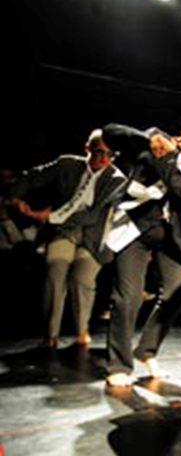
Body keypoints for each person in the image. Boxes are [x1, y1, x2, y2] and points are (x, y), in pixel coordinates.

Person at [102, 119, 181, 387]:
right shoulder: (158, 141)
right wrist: (147, 140)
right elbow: (110, 133)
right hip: (134, 227)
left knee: (178, 288)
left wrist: (167, 159)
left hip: (171, 235)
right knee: (128, 298)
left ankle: (146, 350)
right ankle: (119, 365)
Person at [8, 130, 126, 349]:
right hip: (64, 230)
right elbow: (32, 176)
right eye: (99, 152)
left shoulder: (117, 180)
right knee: (55, 270)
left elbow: (93, 215)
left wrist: (50, 216)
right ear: (87, 148)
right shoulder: (68, 165)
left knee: (82, 278)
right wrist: (15, 197)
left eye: (110, 154)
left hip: (93, 236)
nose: (104, 159)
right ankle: (51, 334)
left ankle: (82, 330)